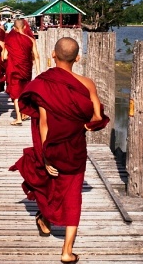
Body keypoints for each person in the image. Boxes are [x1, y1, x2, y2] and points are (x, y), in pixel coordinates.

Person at [9, 37, 108, 264]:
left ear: (53, 55)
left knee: (50, 184)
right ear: (78, 58)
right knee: (73, 196)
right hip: (75, 149)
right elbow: (97, 117)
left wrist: (45, 155)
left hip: (52, 147)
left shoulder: (44, 83)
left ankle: (45, 218)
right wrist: (85, 126)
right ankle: (67, 251)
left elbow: (43, 123)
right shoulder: (87, 84)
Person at [3, 18, 41, 125]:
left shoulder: (9, 39)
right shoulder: (31, 39)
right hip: (27, 69)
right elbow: (36, 56)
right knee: (24, 90)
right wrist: (38, 71)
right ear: (25, 27)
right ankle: (24, 112)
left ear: (14, 28)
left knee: (16, 93)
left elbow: (5, 56)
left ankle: (18, 117)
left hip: (14, 68)